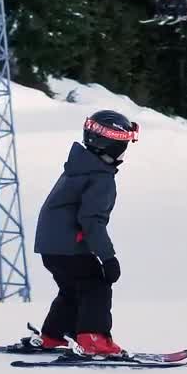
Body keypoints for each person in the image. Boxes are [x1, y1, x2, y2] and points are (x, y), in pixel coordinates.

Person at [32, 110, 139, 359]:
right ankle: (94, 339)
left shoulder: (79, 167)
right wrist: (108, 258)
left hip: (51, 246)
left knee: (72, 290)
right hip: (69, 246)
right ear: (112, 144)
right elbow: (92, 221)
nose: (124, 151)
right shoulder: (100, 177)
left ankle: (53, 336)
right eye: (124, 144)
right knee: (96, 286)